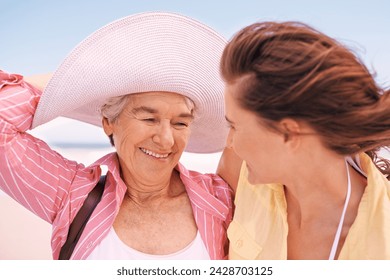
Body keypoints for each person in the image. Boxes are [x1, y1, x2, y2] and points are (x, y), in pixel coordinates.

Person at [0, 12, 233, 260]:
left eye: (180, 123)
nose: (166, 140)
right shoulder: (74, 196)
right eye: (149, 119)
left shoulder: (218, 197)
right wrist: (77, 80)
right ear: (109, 122)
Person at [217, 21, 390, 259]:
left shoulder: (382, 239)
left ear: (288, 133)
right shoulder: (238, 170)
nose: (229, 142)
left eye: (234, 126)